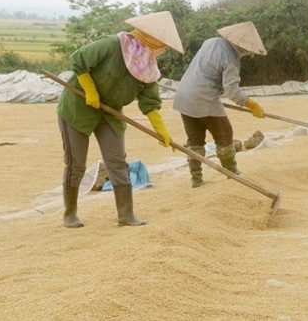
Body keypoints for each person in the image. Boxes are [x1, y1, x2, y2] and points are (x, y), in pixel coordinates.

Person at [57, 11, 183, 228]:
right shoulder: (112, 45)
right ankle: (70, 213)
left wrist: (161, 130)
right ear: (151, 38)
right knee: (76, 163)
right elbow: (78, 60)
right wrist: (90, 89)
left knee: (117, 161)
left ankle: (126, 215)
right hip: (78, 108)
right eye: (162, 45)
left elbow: (150, 103)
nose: (163, 50)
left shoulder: (149, 68)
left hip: (110, 112)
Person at [173, 21, 267, 188]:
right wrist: (250, 103)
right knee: (224, 135)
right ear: (241, 45)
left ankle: (196, 179)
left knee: (194, 140)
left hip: (184, 95)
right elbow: (232, 90)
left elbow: (209, 71)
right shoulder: (231, 59)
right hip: (204, 98)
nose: (247, 52)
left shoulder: (210, 42)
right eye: (247, 49)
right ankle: (231, 173)